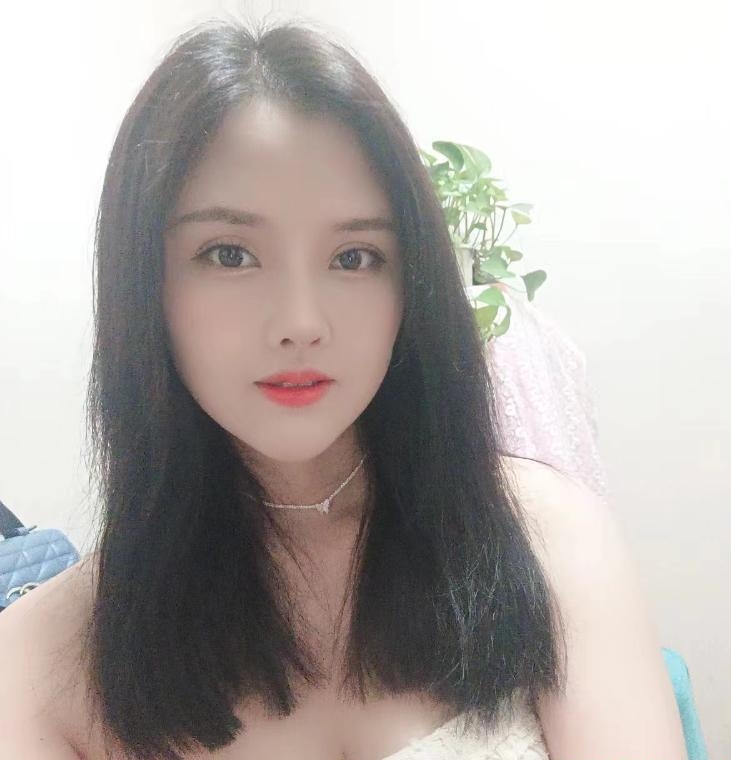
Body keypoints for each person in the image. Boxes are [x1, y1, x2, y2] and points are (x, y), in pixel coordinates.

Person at [0, 15, 688, 760]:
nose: (302, 322)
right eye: (229, 254)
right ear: (143, 285)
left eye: (354, 257)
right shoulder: (39, 668)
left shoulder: (545, 537)